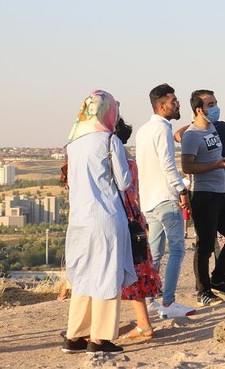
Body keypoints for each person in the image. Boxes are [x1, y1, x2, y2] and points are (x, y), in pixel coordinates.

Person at [62, 90, 136, 355]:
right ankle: (100, 338)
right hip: (105, 217)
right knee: (107, 275)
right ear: (107, 111)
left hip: (79, 219)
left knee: (84, 276)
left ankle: (75, 336)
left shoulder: (73, 143)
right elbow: (124, 182)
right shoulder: (109, 140)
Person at [135, 84, 196, 319]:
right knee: (178, 249)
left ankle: (150, 300)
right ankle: (168, 303)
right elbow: (168, 165)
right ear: (162, 106)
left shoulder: (143, 130)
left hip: (149, 200)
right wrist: (182, 190)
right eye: (174, 101)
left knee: (155, 253)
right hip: (165, 199)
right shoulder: (162, 130)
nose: (178, 104)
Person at [180, 90, 225, 306]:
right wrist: (214, 166)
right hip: (204, 195)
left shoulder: (213, 130)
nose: (216, 107)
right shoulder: (191, 135)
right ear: (199, 109)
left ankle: (218, 278)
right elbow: (187, 166)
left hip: (222, 193)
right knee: (206, 245)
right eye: (211, 104)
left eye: (216, 102)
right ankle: (203, 291)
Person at [113, 118, 161, 342]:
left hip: (122, 222)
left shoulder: (115, 159)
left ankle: (140, 325)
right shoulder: (128, 158)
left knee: (123, 274)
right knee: (136, 272)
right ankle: (143, 324)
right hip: (135, 221)